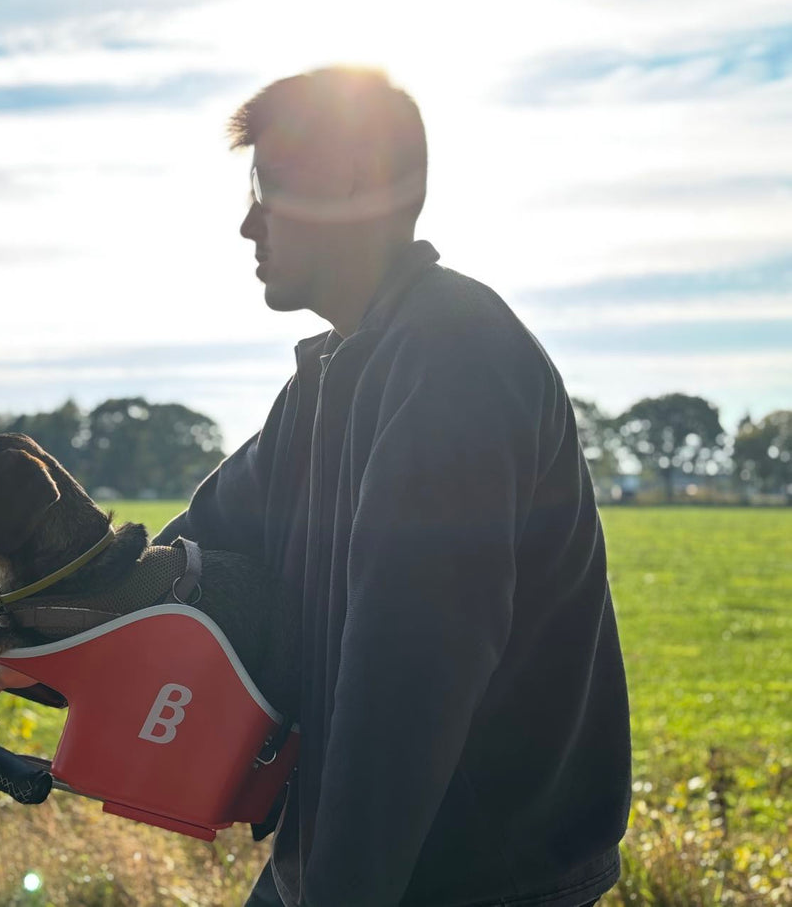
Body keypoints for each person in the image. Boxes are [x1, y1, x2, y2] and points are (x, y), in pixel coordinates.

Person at [152, 67, 632, 907]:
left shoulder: (455, 359)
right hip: (345, 862)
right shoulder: (331, 376)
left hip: (471, 879)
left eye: (267, 187)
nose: (246, 223)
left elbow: (408, 679)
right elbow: (192, 557)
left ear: (349, 183)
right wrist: (28, 628)